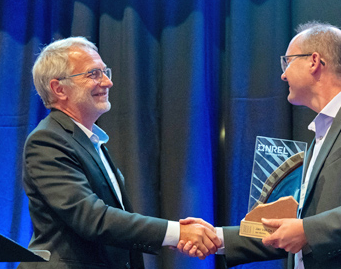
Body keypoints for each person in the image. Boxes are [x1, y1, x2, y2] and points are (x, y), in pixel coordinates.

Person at [179, 21, 341, 268]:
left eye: (288, 61)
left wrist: (307, 230)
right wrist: (215, 237)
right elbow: (290, 231)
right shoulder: (320, 138)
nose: (283, 74)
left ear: (314, 61)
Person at [18, 36, 221, 269]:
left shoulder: (91, 140)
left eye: (105, 72)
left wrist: (171, 235)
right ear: (58, 88)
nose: (107, 82)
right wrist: (176, 232)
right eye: (93, 74)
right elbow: (92, 219)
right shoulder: (47, 140)